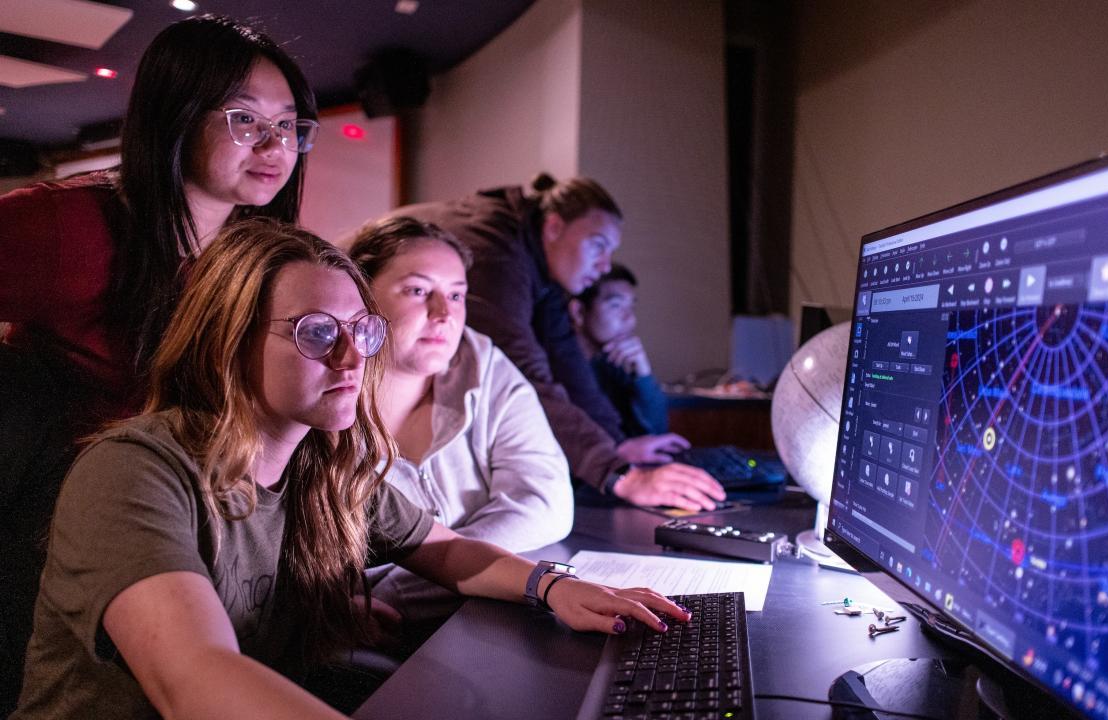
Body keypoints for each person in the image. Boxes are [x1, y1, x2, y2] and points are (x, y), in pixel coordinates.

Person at [13, 219, 687, 720]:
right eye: (315, 334)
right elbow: (193, 680)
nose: (350, 358)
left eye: (360, 332)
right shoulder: (135, 473)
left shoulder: (324, 465)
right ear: (227, 342)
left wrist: (553, 584)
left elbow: (444, 549)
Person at [0, 14, 319, 710]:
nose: (275, 145)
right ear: (177, 115)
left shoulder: (257, 252)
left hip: (190, 525)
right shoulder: (70, 228)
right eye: (244, 119)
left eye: (289, 126)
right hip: (62, 527)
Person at [378, 174, 726, 512]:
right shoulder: (498, 257)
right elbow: (528, 375)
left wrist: (616, 451)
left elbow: (567, 362)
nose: (605, 267)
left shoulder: (537, 267)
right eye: (598, 245)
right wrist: (619, 474)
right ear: (555, 226)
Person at [346, 216, 574, 636]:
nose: (444, 313)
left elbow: (546, 501)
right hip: (355, 641)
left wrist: (399, 589)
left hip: (481, 621)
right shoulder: (324, 392)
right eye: (418, 291)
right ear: (359, 296)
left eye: (456, 295)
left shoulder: (481, 361)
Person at [569, 264, 669, 438]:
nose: (629, 318)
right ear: (578, 312)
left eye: (631, 307)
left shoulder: (611, 366)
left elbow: (657, 430)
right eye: (616, 305)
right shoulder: (559, 370)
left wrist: (643, 375)